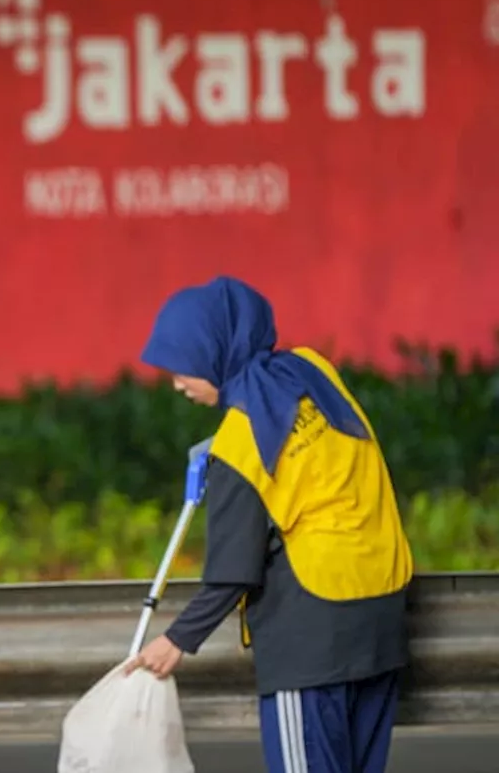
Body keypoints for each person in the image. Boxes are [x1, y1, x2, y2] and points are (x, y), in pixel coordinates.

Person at [127, 275, 414, 773]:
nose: (177, 384)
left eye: (182, 368)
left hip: (313, 640)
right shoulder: (314, 371)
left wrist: (176, 640)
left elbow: (234, 571)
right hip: (382, 611)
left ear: (213, 352)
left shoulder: (239, 445)